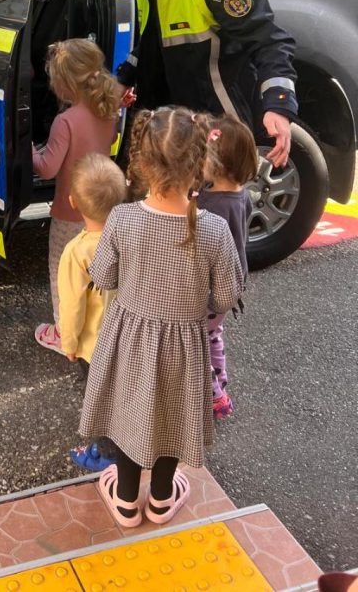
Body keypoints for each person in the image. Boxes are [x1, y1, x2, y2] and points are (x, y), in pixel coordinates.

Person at [80, 107, 243, 529]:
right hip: (184, 346)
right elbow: (226, 295)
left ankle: (128, 501)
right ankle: (162, 497)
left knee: (130, 415)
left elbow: (103, 275)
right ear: (201, 166)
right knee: (173, 417)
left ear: (139, 163)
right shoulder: (213, 231)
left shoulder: (122, 218)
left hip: (130, 340)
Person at [83, 0, 297, 169]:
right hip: (176, 125)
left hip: (219, 125)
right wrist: (124, 79)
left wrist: (278, 105)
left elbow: (270, 41)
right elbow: (153, 40)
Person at [32, 39, 122, 353]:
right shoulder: (108, 110)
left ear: (64, 84)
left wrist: (27, 147)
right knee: (99, 274)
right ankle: (100, 329)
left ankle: (62, 332)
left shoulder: (65, 122)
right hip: (103, 208)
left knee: (63, 274)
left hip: (71, 211)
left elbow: (47, 168)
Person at [58, 152, 127, 474]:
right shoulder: (133, 236)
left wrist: (68, 343)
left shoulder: (76, 252)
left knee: (100, 402)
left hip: (94, 348)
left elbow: (72, 305)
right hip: (132, 339)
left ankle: (107, 454)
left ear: (73, 201)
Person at [198, 114, 257, 420]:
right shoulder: (240, 194)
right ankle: (220, 380)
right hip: (231, 283)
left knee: (196, 343)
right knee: (212, 334)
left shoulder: (211, 205)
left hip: (209, 289)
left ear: (216, 165)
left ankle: (214, 396)